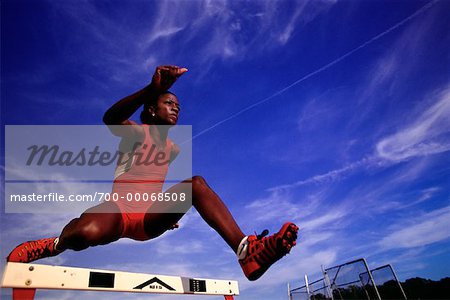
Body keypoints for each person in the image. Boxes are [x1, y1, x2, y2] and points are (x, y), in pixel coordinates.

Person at [7, 65, 298, 281]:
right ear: (151, 110)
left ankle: (246, 251)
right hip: (119, 210)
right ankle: (54, 244)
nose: (176, 109)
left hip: (148, 218)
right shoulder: (136, 131)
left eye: (178, 106)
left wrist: (168, 211)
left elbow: (153, 182)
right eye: (168, 103)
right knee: (85, 232)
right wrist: (151, 88)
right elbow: (110, 118)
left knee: (196, 185)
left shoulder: (173, 149)